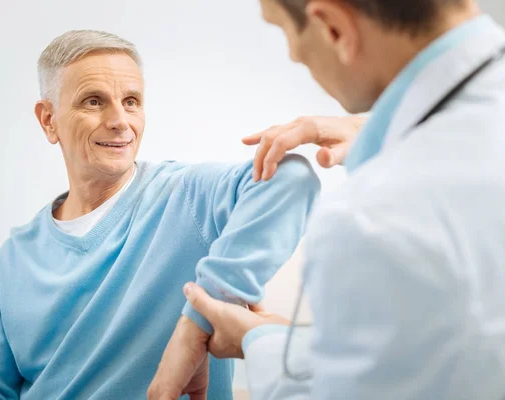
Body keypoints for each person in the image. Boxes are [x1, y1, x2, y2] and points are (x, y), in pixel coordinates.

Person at [149, 0, 505, 399]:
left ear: (333, 28)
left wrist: (262, 340)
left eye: (283, 30)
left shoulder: (371, 221)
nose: (292, 54)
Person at [0, 30, 328, 400]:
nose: (120, 120)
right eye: (93, 101)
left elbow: (291, 180)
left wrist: (197, 323)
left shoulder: (187, 197)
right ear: (48, 120)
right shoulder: (11, 261)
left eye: (131, 101)